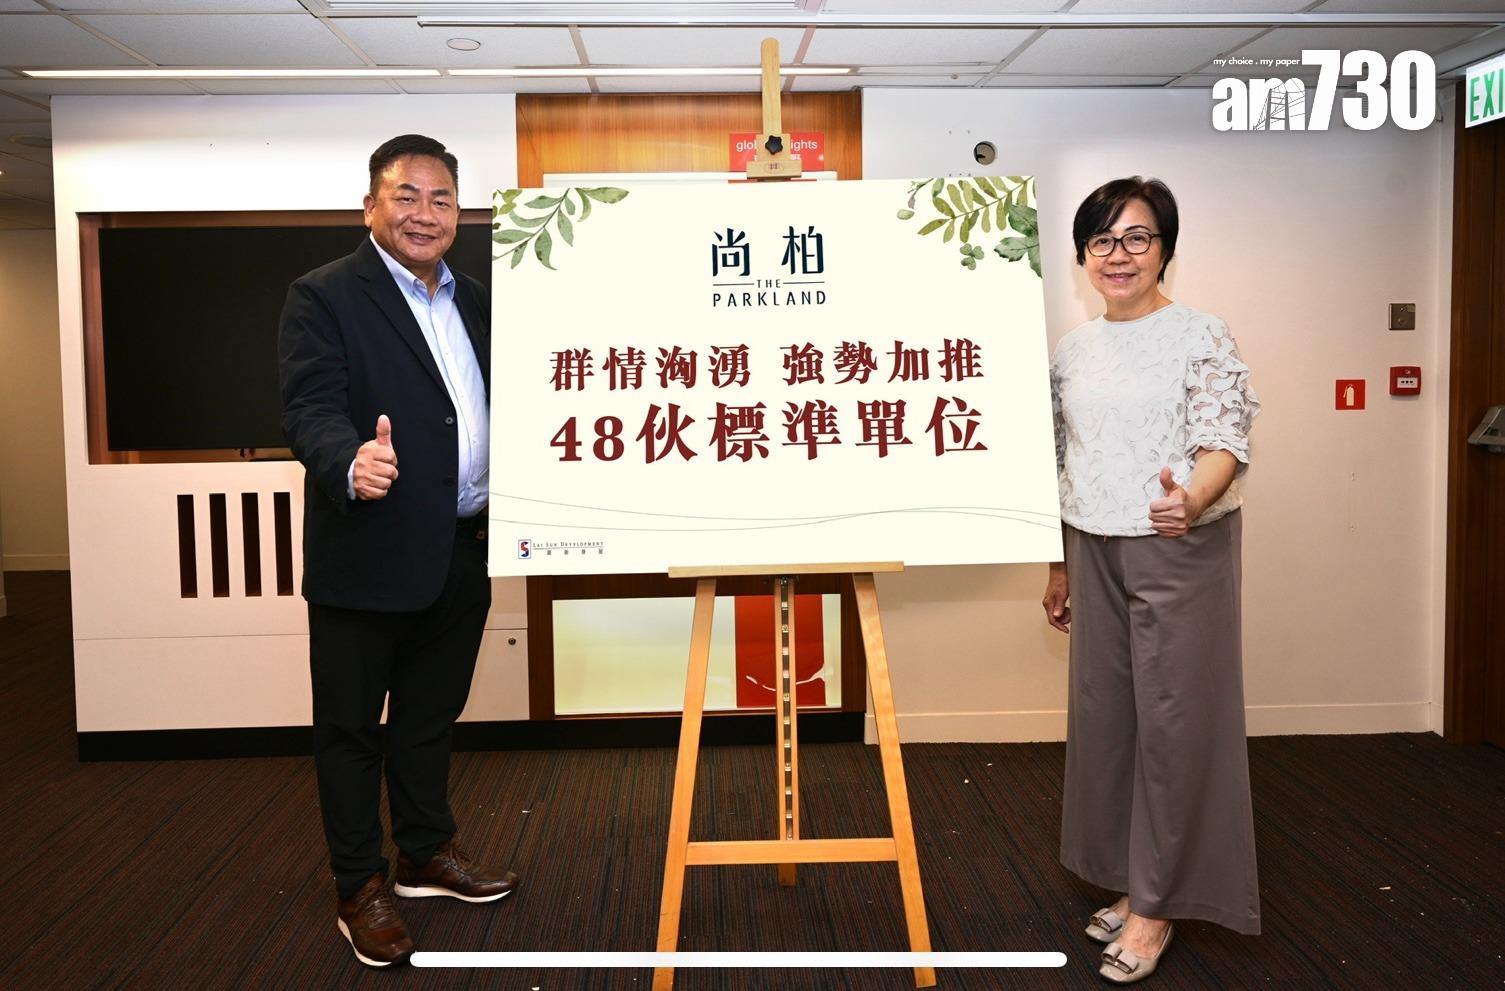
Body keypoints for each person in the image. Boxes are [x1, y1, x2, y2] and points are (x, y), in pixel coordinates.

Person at [278, 133, 518, 968]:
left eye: (440, 198)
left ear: (458, 212)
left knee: (428, 718)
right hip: (367, 551)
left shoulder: (474, 298)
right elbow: (308, 405)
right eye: (406, 195)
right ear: (370, 206)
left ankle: (424, 853)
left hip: (462, 546)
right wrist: (348, 459)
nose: (424, 212)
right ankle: (359, 885)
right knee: (351, 730)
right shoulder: (323, 295)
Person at [1043, 177, 1261, 983]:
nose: (1118, 254)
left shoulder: (1200, 333)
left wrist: (1190, 499)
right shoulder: (1073, 349)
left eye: (1136, 237)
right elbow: (1063, 460)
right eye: (1101, 240)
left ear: (1163, 247)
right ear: (1083, 255)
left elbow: (1223, 440)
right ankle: (1135, 876)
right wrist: (1059, 561)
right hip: (1092, 545)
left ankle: (1158, 905)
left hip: (1177, 547)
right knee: (1109, 720)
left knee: (1176, 725)